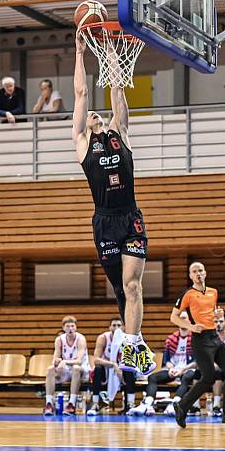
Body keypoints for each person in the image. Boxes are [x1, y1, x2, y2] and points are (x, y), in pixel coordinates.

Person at [72, 33, 155, 376]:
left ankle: (133, 343)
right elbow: (81, 93)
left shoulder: (120, 133)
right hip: (104, 222)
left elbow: (118, 92)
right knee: (121, 288)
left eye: (96, 113)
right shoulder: (82, 143)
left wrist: (109, 53)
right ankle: (134, 342)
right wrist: (79, 52)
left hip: (129, 217)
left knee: (133, 285)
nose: (93, 113)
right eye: (89, 114)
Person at [169, 262, 225, 428]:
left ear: (205, 273)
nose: (198, 273)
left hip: (214, 336)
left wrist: (216, 315)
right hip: (200, 339)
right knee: (208, 377)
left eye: (201, 270)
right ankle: (182, 406)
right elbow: (173, 317)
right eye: (194, 271)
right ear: (190, 276)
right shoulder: (187, 294)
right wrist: (191, 327)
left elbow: (208, 313)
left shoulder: (213, 292)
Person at [128, 324, 196, 417]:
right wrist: (171, 368)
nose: (182, 321)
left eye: (185, 318)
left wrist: (182, 369)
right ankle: (148, 404)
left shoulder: (195, 338)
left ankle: (175, 404)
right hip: (174, 369)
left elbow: (197, 361)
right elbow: (167, 360)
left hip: (188, 369)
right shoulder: (171, 339)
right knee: (152, 377)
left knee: (186, 377)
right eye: (180, 318)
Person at [88, 318, 137, 416]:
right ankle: (95, 404)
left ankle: (130, 404)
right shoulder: (103, 338)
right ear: (109, 327)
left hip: (122, 369)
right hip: (106, 368)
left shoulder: (127, 339)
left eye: (119, 325)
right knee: (97, 368)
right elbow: (96, 359)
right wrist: (113, 365)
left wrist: (120, 367)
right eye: (114, 325)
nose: (116, 328)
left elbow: (131, 359)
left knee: (129, 368)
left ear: (123, 327)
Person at [43, 316, 90, 416]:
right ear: (63, 328)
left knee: (76, 368)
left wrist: (64, 362)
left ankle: (71, 403)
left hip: (82, 369)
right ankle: (49, 404)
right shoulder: (59, 339)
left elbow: (79, 361)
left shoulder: (81, 338)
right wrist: (57, 362)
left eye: (72, 326)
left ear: (76, 327)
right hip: (67, 369)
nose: (70, 329)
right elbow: (55, 358)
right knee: (50, 369)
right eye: (68, 326)